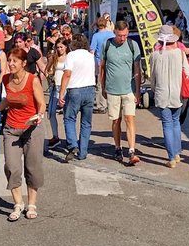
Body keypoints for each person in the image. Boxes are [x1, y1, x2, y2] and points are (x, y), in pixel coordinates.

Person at [0, 48, 46, 221]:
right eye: (9, 60)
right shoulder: (5, 79)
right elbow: (8, 99)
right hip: (11, 128)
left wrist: (38, 116)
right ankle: (18, 203)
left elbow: (41, 104)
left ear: (23, 63)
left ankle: (31, 203)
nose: (10, 64)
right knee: (11, 167)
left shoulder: (32, 80)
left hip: (32, 128)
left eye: (14, 61)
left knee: (32, 167)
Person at [150, 25, 189, 168]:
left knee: (167, 124)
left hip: (161, 94)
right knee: (175, 123)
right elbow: (188, 72)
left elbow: (153, 78)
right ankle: (177, 152)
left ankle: (171, 157)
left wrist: (154, 89)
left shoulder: (155, 55)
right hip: (177, 92)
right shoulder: (179, 53)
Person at [100, 21, 141, 165]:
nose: (122, 38)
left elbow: (137, 69)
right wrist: (103, 86)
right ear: (114, 32)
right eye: (119, 35)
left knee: (130, 119)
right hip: (112, 90)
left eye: (124, 35)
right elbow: (102, 68)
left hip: (129, 90)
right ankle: (118, 147)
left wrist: (138, 90)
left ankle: (131, 150)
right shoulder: (107, 45)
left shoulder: (132, 45)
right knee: (116, 120)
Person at [58, 34, 95, 162]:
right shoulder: (90, 56)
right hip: (90, 89)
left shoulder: (71, 56)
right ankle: (83, 151)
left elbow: (67, 74)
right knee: (86, 122)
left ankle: (73, 145)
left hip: (75, 90)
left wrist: (61, 93)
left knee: (69, 118)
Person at [44, 38, 69, 149]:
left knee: (67, 115)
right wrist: (50, 75)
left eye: (61, 47)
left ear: (66, 47)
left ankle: (69, 139)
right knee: (51, 113)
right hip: (55, 87)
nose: (59, 49)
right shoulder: (54, 58)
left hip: (66, 88)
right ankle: (55, 136)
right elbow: (46, 70)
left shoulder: (69, 58)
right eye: (58, 47)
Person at [90, 17, 114, 114]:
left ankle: (101, 105)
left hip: (99, 61)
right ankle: (112, 103)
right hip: (111, 61)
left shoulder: (95, 36)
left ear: (97, 25)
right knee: (111, 82)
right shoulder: (111, 34)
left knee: (100, 83)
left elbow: (92, 50)